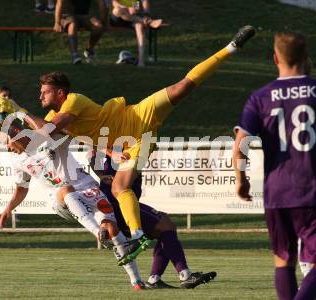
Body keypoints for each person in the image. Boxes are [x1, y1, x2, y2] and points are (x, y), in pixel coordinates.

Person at [22, 25, 256, 265]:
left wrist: (21, 113)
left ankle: (231, 47)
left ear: (60, 93)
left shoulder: (73, 100)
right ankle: (137, 235)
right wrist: (11, 132)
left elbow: (50, 129)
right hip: (134, 144)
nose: (41, 96)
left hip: (136, 115)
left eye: (45, 92)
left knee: (182, 86)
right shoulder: (51, 118)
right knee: (119, 188)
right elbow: (51, 136)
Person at [0, 118, 147, 290]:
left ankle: (136, 281)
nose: (7, 148)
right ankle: (97, 232)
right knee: (66, 189)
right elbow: (21, 188)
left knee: (112, 229)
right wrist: (8, 208)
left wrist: (109, 153)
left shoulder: (48, 139)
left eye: (7, 142)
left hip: (87, 187)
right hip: (61, 198)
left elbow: (81, 135)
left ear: (17, 133)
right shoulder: (16, 160)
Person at [233, 32, 316, 300]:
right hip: (312, 189)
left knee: (283, 261)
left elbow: (241, 143)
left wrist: (241, 179)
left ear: (275, 58)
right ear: (305, 58)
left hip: (277, 192)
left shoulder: (260, 97)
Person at [97, 156, 217, 289]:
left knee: (164, 228)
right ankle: (184, 275)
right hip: (118, 205)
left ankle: (156, 279)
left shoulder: (130, 144)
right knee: (165, 225)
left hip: (124, 203)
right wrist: (102, 174)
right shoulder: (116, 143)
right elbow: (92, 153)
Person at [0, 85, 27, 227]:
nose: (7, 98)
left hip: (9, 149)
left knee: (13, 185)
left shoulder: (11, 104)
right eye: (4, 95)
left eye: (8, 95)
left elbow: (19, 121)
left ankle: (11, 216)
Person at [110, 0, 162, 67]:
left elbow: (138, 6)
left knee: (139, 26)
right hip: (118, 18)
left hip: (132, 18)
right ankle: (147, 21)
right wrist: (127, 6)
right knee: (118, 10)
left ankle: (141, 61)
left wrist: (146, 14)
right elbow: (114, 3)